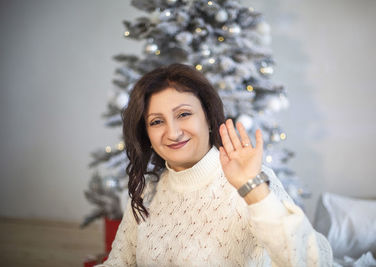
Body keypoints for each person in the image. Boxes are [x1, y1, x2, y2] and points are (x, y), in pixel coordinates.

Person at [97, 63, 333, 266]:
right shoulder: (146, 191)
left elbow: (314, 262)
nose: (173, 132)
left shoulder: (251, 180)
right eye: (157, 121)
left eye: (184, 114)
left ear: (208, 118)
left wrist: (253, 190)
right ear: (145, 133)